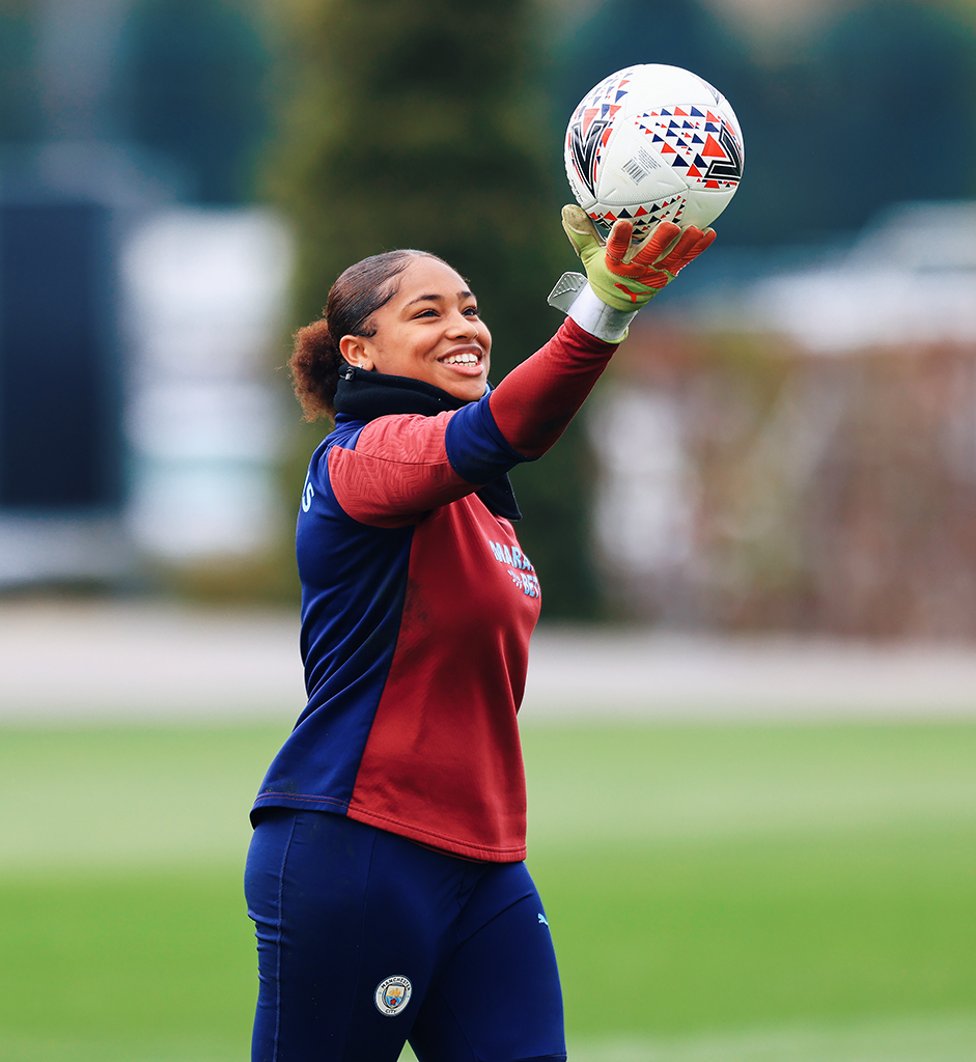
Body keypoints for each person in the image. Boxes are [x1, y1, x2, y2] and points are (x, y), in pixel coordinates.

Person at [244, 206, 716, 1062]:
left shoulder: (476, 497)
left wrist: (598, 298)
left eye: (467, 307)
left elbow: (511, 420)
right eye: (426, 313)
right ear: (359, 352)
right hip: (358, 845)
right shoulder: (363, 458)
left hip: (485, 861)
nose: (463, 327)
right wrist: (600, 309)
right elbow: (506, 428)